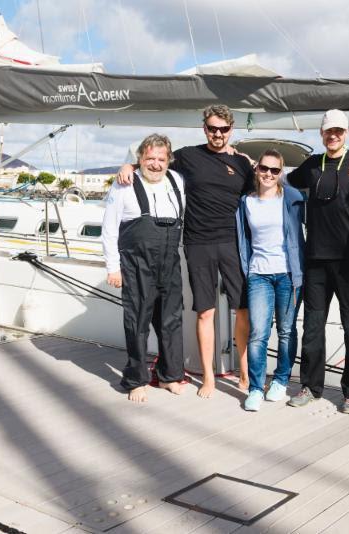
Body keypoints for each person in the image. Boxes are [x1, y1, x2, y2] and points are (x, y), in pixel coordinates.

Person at [117, 105, 254, 398]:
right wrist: (129, 165)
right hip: (198, 244)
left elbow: (265, 191)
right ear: (204, 128)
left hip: (232, 244)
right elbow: (155, 162)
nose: (218, 134)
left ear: (231, 130)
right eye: (212, 128)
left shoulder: (242, 164)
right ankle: (208, 378)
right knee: (205, 312)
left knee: (242, 309)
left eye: (224, 129)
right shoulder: (189, 156)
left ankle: (244, 373)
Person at [286, 109, 349, 413]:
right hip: (315, 259)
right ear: (322, 134)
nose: (333, 136)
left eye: (338, 131)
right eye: (328, 131)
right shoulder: (312, 165)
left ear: (346, 133)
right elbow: (283, 182)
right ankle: (310, 386)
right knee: (312, 326)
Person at [103, 134, 186, 403]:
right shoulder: (124, 184)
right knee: (137, 322)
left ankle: (168, 376)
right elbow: (109, 229)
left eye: (161, 159)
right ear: (139, 159)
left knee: (171, 321)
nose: (156, 164)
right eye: (150, 158)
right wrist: (113, 268)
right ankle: (136, 380)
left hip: (169, 262)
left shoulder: (177, 180)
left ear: (169, 160)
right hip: (137, 264)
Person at [236, 149, 305, 411]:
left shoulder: (290, 198)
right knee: (258, 334)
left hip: (288, 274)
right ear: (257, 169)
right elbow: (243, 239)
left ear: (281, 173)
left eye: (275, 170)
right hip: (259, 275)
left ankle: (280, 380)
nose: (268, 174)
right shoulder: (246, 202)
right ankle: (255, 388)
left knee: (287, 331)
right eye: (264, 168)